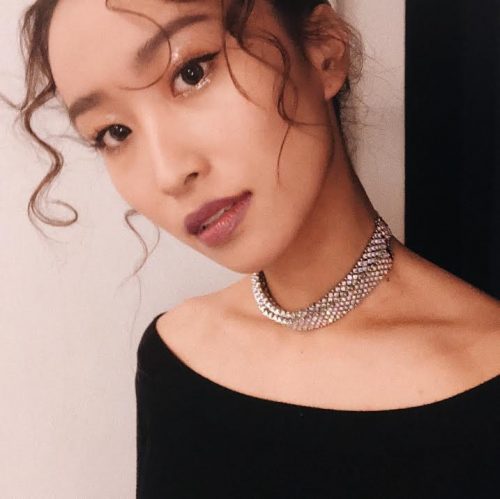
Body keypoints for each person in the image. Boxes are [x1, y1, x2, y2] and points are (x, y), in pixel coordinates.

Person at [15, 0, 499, 497]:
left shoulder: (484, 378)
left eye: (191, 72)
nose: (169, 173)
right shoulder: (173, 359)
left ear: (324, 49)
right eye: (114, 132)